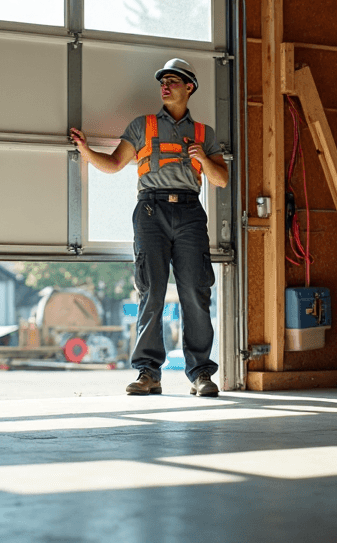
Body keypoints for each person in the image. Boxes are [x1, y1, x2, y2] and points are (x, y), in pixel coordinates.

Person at [69, 58, 229, 397]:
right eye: (163, 82)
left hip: (190, 212)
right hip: (150, 211)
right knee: (151, 291)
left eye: (173, 81)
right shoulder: (143, 126)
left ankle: (201, 374)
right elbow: (114, 164)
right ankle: (148, 373)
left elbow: (221, 179)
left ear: (190, 87)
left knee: (195, 292)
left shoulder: (205, 133)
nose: (165, 86)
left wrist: (203, 158)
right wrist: (85, 151)